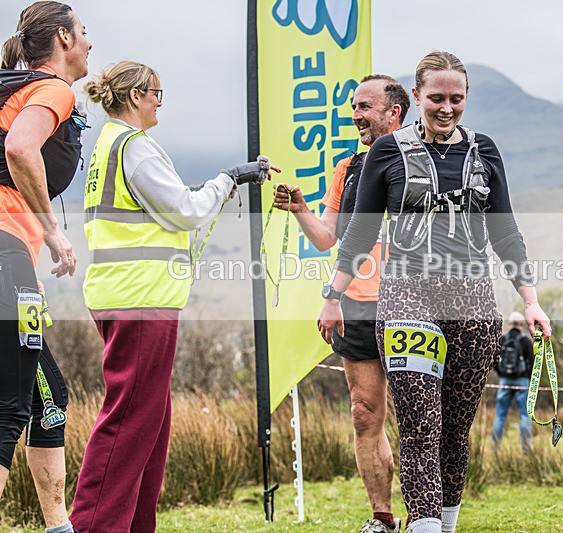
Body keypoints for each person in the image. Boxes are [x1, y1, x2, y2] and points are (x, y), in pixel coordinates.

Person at [317, 51, 551, 533]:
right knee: (420, 427)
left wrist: (530, 301)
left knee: (453, 432)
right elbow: (359, 234)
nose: (447, 108)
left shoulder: (484, 152)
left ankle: (444, 524)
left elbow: (506, 234)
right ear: (417, 96)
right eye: (437, 98)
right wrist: (333, 294)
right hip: (406, 296)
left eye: (457, 99)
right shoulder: (387, 153)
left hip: (472, 302)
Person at [69, 60, 278, 533]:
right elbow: (185, 210)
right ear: (138, 94)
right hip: (139, 298)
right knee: (129, 420)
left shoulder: (108, 145)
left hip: (125, 295)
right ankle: (94, 525)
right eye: (158, 93)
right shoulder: (136, 148)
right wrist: (230, 177)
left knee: (152, 421)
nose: (161, 103)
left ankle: (136, 523)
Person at [272, 74, 409, 533]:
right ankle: (382, 517)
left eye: (365, 106)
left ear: (394, 112)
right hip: (355, 305)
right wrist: (301, 209)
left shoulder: (419, 163)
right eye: (354, 106)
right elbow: (327, 238)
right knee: (364, 412)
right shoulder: (348, 168)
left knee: (417, 415)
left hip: (410, 303)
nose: (356, 115)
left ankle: (427, 516)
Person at [0, 3, 91, 532]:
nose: (88, 43)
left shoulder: (15, 90)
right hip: (8, 250)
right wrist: (54, 231)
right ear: (62, 37)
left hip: (15, 261)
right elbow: (19, 147)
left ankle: (59, 526)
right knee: (10, 407)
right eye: (83, 33)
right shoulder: (53, 89)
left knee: (47, 395)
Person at [491, 311, 535, 452]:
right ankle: (526, 449)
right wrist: (526, 377)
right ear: (522, 324)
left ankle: (494, 447)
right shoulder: (525, 341)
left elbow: (495, 360)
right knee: (524, 415)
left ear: (509, 324)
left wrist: (501, 374)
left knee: (500, 415)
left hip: (505, 381)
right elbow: (533, 362)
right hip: (522, 381)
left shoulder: (502, 339)